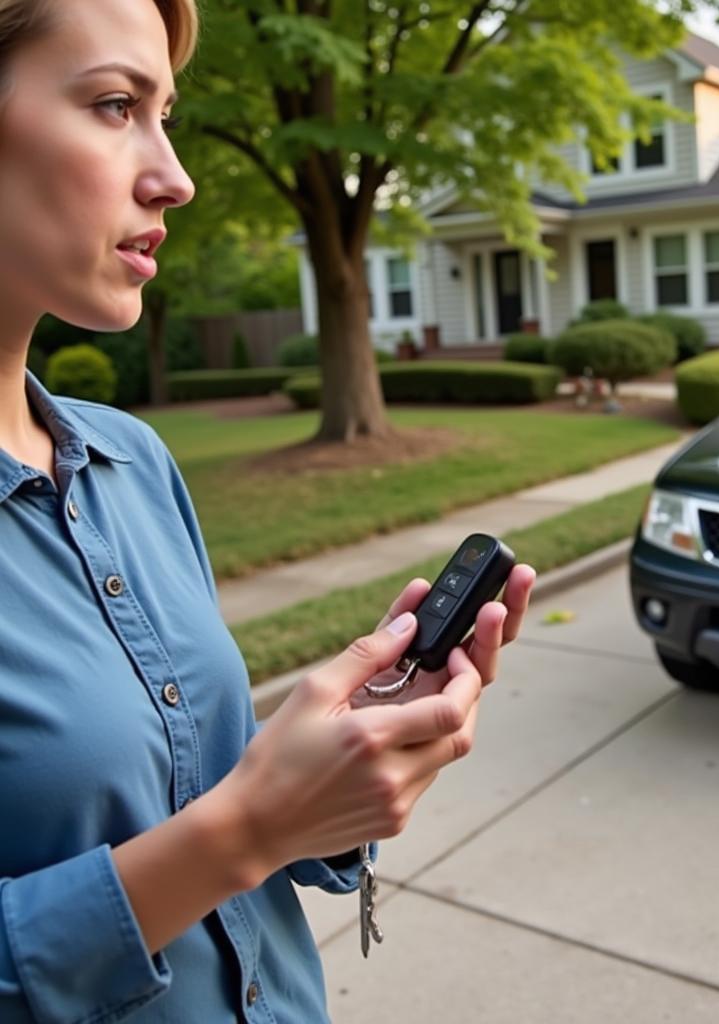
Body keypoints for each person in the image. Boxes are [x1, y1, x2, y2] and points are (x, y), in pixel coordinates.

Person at [0, 1, 536, 1021]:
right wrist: (239, 832)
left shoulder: (135, 461)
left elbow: (210, 792)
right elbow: (221, 834)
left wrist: (326, 782)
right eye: (116, 105)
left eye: (166, 112)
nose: (176, 175)